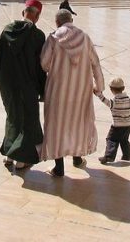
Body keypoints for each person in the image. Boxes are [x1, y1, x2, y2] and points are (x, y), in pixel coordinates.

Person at [40, 9, 105, 177]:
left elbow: (44, 64)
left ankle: (59, 167)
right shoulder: (85, 38)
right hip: (81, 91)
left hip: (58, 91)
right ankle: (77, 158)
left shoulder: (53, 38)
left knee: (57, 126)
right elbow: (96, 63)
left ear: (57, 22)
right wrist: (99, 86)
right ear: (71, 20)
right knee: (78, 123)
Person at [0, 0, 47, 169]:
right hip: (28, 85)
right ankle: (21, 160)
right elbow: (41, 66)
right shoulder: (38, 36)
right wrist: (43, 89)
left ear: (23, 12)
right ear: (37, 17)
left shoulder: (7, 30)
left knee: (13, 117)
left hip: (7, 84)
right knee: (28, 121)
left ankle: (9, 156)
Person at [96, 78, 130, 164]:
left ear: (111, 89)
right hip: (127, 125)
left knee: (111, 139)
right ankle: (126, 157)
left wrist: (99, 95)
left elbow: (106, 102)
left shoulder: (115, 100)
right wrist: (126, 112)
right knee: (124, 141)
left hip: (117, 126)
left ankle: (109, 157)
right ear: (123, 88)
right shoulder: (128, 98)